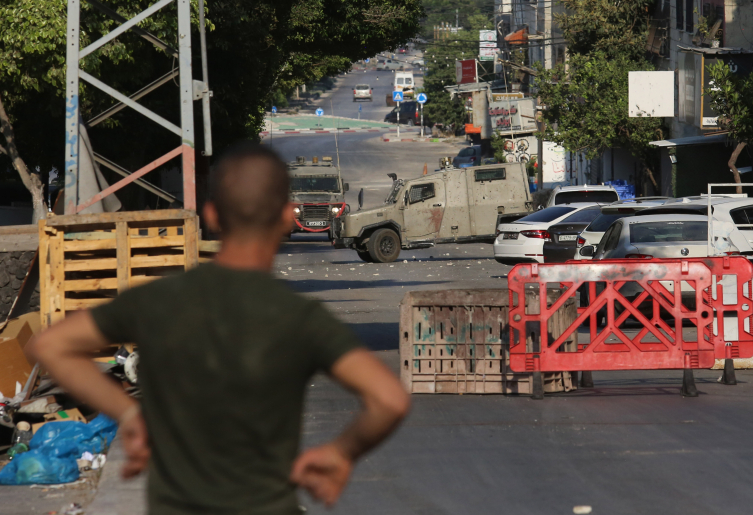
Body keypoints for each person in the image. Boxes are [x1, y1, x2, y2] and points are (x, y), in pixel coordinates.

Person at [27, 143, 410, 514]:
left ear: (211, 216)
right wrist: (340, 452)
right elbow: (389, 399)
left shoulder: (159, 300)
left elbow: (52, 346)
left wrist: (129, 415)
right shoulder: (300, 318)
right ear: (284, 217)